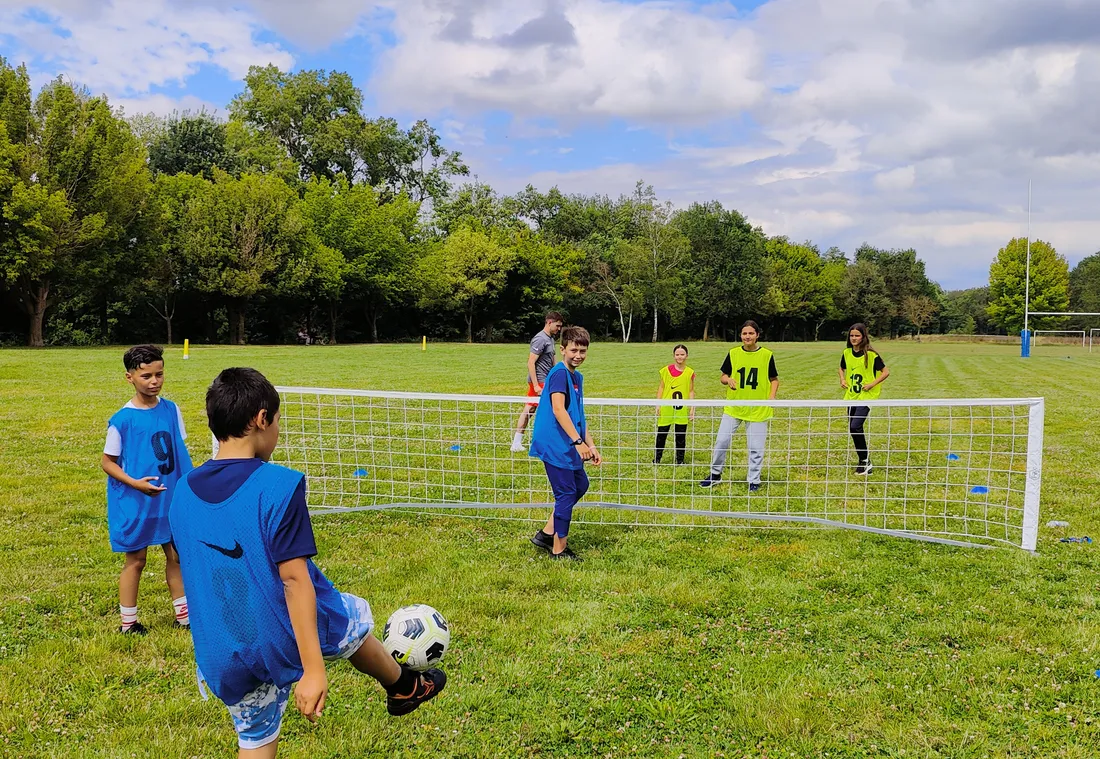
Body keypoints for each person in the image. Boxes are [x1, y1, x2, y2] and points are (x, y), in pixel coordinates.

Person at [169, 368, 445, 757]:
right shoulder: (278, 486)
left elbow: (187, 560)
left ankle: (403, 687)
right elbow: (295, 581)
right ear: (262, 419)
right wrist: (314, 670)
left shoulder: (182, 491)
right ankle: (404, 685)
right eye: (278, 421)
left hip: (220, 649)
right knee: (344, 615)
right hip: (282, 636)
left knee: (255, 737)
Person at [100, 344, 194, 634]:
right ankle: (129, 623)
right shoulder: (122, 420)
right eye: (146, 376)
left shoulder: (171, 410)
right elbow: (107, 462)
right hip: (137, 501)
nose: (154, 382)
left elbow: (180, 451)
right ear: (130, 378)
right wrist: (135, 484)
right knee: (136, 560)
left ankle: (185, 618)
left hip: (169, 499)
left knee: (176, 555)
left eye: (159, 375)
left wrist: (189, 486)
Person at [527, 326, 601, 561]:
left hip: (570, 442)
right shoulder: (558, 373)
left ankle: (547, 534)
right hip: (556, 443)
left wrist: (590, 444)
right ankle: (559, 550)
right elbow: (559, 410)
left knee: (580, 485)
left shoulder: (577, 377)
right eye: (574, 350)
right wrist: (577, 441)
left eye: (583, 350)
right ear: (563, 350)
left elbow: (577, 414)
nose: (578, 355)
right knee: (567, 493)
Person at [700, 321, 778, 491]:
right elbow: (723, 377)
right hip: (734, 407)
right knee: (721, 441)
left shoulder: (766, 355)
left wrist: (771, 398)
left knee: (756, 448)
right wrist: (728, 380)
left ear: (757, 335)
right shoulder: (733, 353)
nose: (747, 337)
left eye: (751, 333)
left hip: (758, 409)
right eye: (744, 334)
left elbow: (774, 380)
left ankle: (754, 480)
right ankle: (715, 474)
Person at [838, 322, 890, 475]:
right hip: (851, 396)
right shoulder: (847, 353)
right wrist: (842, 379)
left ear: (863, 337)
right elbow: (841, 367)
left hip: (866, 396)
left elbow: (885, 372)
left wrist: (872, 384)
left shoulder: (871, 355)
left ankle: (865, 461)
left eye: (857, 335)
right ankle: (864, 460)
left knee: (855, 426)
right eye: (852, 335)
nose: (854, 338)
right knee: (853, 429)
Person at [511, 311, 565, 453]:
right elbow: (531, 362)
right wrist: (535, 385)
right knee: (550, 410)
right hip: (540, 381)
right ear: (549, 322)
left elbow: (553, 360)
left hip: (547, 380)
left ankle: (517, 443)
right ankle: (541, 442)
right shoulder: (540, 339)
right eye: (557, 326)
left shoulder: (550, 339)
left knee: (530, 409)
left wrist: (559, 373)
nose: (558, 329)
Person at [653, 344, 696, 464]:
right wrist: (658, 404)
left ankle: (680, 461)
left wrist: (692, 408)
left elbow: (691, 391)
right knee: (662, 434)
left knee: (681, 436)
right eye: (677, 354)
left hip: (681, 409)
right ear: (674, 356)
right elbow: (661, 388)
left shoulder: (689, 372)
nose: (679, 357)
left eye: (682, 354)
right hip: (666, 408)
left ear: (686, 356)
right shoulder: (666, 371)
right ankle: (657, 459)